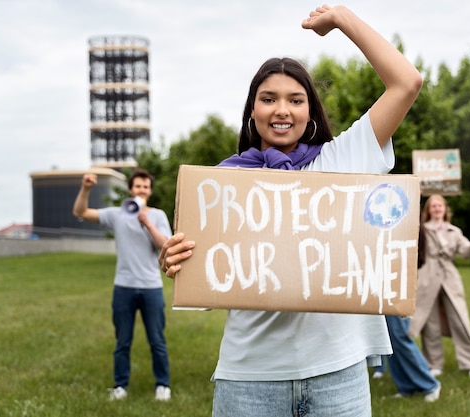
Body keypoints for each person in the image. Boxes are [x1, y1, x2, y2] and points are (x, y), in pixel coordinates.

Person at [159, 4, 423, 416]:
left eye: (295, 100)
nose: (282, 110)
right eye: (269, 99)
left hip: (338, 374)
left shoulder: (342, 161)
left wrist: (341, 19)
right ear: (253, 110)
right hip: (249, 379)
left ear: (309, 112)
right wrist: (176, 260)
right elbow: (209, 281)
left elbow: (406, 83)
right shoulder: (223, 186)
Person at [72, 169, 173, 401]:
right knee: (123, 341)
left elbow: (165, 245)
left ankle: (163, 385)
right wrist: (86, 188)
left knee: (157, 340)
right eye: (137, 186)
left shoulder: (157, 215)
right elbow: (80, 212)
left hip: (151, 287)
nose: (141, 190)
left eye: (145, 187)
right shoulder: (117, 214)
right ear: (130, 190)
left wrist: (147, 223)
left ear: (150, 191)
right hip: (123, 287)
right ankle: (120, 386)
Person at [409, 194, 470, 379]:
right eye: (433, 206)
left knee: (460, 320)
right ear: (428, 210)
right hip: (427, 279)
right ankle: (433, 363)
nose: (437, 208)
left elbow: (466, 252)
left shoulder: (454, 231)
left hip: (449, 279)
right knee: (430, 324)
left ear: (445, 209)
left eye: (440, 205)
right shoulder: (421, 230)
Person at [372, 225, 441, 402]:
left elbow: (418, 251)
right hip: (382, 277)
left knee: (400, 335)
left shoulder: (406, 215)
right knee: (390, 338)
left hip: (398, 277)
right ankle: (406, 387)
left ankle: (429, 384)